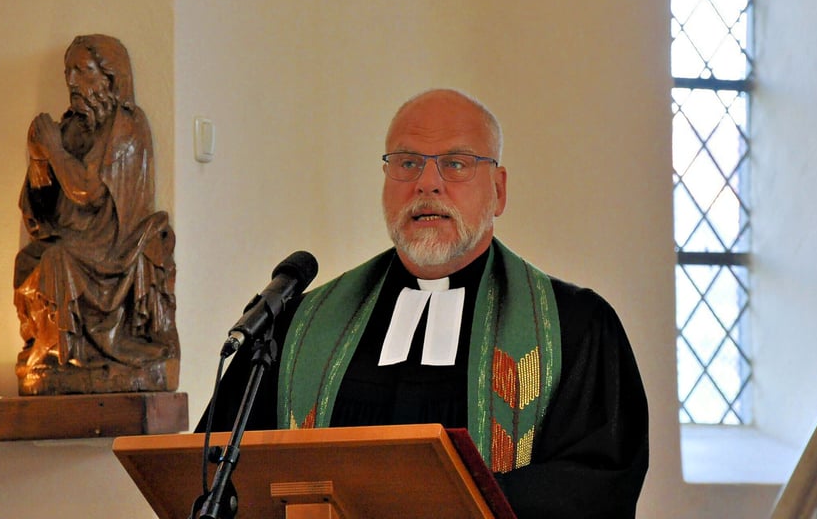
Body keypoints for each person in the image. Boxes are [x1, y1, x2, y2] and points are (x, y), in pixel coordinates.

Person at [202, 88, 648, 517]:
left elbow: (595, 489)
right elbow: (212, 472)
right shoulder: (298, 327)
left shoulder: (575, 328)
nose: (427, 183)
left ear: (499, 190)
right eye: (408, 163)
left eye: (456, 164)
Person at [13, 34, 179, 395]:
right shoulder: (73, 125)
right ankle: (54, 350)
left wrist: (53, 149)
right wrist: (39, 159)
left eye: (81, 71)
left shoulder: (127, 126)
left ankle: (75, 352)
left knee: (58, 258)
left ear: (110, 78)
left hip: (112, 249)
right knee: (29, 258)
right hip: (75, 241)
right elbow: (42, 210)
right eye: (67, 72)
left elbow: (87, 192)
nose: (71, 82)